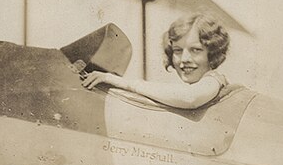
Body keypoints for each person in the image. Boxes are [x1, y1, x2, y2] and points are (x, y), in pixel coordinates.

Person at [81, 14, 230, 110]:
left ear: (213, 53)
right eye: (177, 50)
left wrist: (122, 82)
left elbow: (190, 98)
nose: (184, 59)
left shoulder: (214, 80)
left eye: (196, 50)